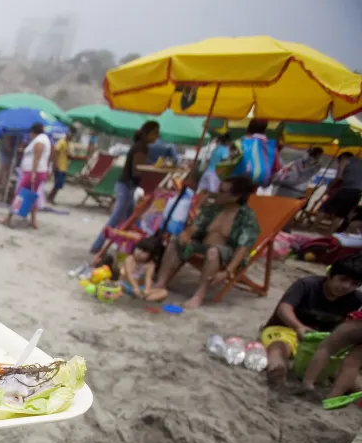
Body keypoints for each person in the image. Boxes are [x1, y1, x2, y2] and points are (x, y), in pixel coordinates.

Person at [154, 176, 259, 309]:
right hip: (203, 245)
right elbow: (196, 225)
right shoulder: (213, 207)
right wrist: (186, 234)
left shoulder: (247, 217)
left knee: (214, 251)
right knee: (175, 241)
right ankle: (161, 283)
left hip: (226, 252)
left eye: (222, 191)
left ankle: (199, 295)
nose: (217, 193)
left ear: (236, 196)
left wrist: (228, 271)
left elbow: (243, 247)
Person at [261, 254, 362, 387]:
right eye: (343, 279)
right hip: (287, 329)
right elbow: (284, 308)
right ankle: (277, 372)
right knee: (279, 347)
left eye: (354, 284)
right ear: (330, 274)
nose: (346, 286)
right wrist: (298, 327)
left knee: (345, 366)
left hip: (324, 340)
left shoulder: (356, 299)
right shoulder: (307, 285)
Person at [89, 121, 160, 254]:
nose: (157, 136)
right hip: (127, 186)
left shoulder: (140, 146)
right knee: (116, 218)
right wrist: (152, 169)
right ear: (148, 133)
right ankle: (97, 246)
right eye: (155, 132)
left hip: (127, 185)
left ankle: (127, 247)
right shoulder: (141, 147)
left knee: (130, 219)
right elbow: (136, 170)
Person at [1, 122, 51, 229]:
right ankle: (33, 220)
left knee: (20, 194)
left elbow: (37, 157)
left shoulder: (40, 141)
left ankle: (8, 218)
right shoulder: (43, 139)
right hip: (36, 171)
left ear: (33, 132)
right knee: (31, 195)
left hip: (34, 172)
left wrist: (33, 173)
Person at [320, 152, 362, 231]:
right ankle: (331, 233)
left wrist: (329, 187)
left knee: (324, 208)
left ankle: (313, 229)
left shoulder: (345, 160)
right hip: (357, 193)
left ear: (343, 157)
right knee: (341, 214)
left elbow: (339, 177)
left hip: (345, 189)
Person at [121, 236, 168, 302]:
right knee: (117, 286)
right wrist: (135, 288)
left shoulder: (150, 264)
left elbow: (148, 278)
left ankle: (144, 299)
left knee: (164, 292)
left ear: (151, 255)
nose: (139, 252)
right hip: (126, 286)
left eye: (144, 251)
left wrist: (147, 290)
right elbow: (129, 275)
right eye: (138, 248)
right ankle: (140, 297)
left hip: (141, 288)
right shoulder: (130, 259)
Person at [47, 128, 74, 205]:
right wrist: (55, 164)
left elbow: (68, 155)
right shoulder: (61, 142)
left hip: (64, 166)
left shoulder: (69, 144)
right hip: (59, 166)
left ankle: (51, 197)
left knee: (59, 184)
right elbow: (55, 152)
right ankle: (50, 197)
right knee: (57, 183)